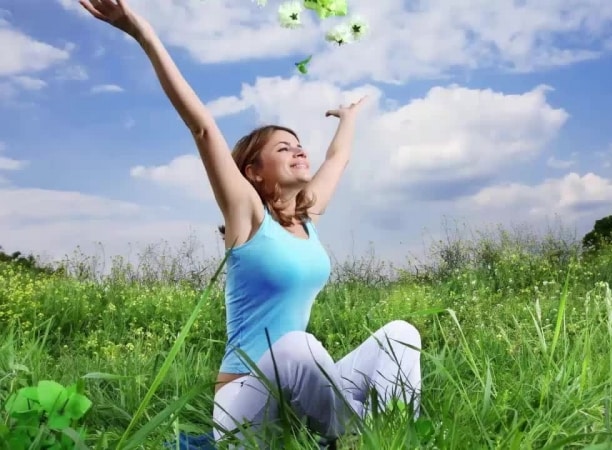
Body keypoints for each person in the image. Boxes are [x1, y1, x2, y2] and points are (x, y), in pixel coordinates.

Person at [79, 0, 423, 447]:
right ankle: (357, 433)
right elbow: (202, 128)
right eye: (283, 148)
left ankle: (399, 436)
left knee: (401, 333)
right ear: (253, 172)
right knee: (300, 347)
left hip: (301, 387)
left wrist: (349, 118)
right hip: (246, 399)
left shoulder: (307, 216)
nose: (300, 151)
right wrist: (140, 31)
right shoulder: (247, 217)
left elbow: (339, 158)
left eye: (299, 145)